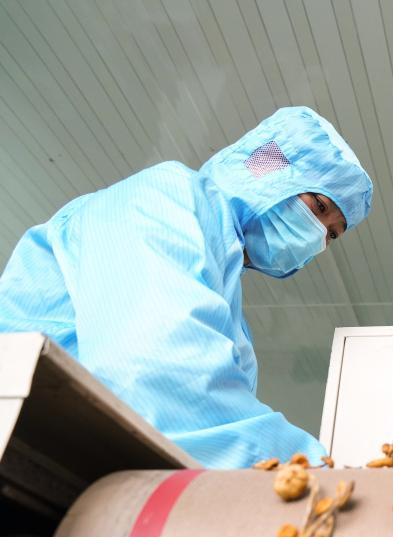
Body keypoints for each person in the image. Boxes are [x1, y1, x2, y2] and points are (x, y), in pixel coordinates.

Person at [0, 107, 372, 468]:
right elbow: (158, 374)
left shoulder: (230, 312)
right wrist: (313, 471)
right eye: (318, 206)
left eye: (332, 234)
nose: (318, 235)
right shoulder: (167, 196)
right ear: (269, 168)